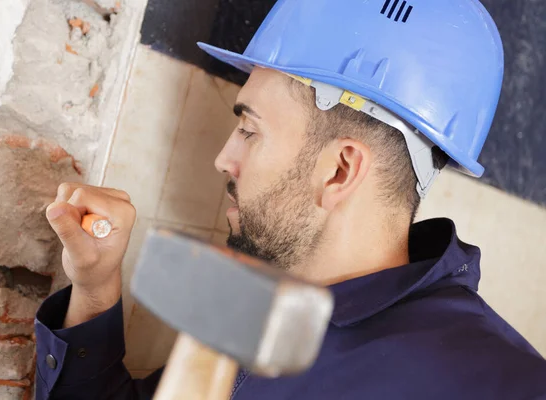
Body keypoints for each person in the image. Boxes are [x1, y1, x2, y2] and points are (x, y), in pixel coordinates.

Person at [35, 0, 546, 399]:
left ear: (340, 169)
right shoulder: (263, 311)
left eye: (249, 130)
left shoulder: (500, 382)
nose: (223, 159)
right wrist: (97, 287)